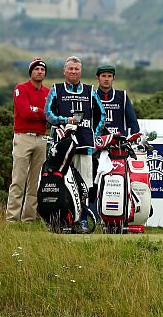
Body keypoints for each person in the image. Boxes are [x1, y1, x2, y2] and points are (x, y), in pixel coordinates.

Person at [44, 56, 107, 219]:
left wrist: (93, 133)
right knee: (60, 184)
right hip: (62, 147)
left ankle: (82, 220)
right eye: (70, 68)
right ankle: (60, 219)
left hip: (84, 145)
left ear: (81, 71)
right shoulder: (55, 89)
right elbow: (48, 115)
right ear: (64, 71)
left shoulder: (90, 90)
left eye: (76, 69)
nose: (73, 71)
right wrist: (65, 121)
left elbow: (102, 115)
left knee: (84, 185)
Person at [5, 57, 50, 223]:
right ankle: (11, 219)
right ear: (31, 71)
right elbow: (25, 112)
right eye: (36, 69)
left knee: (35, 183)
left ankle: (28, 220)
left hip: (41, 138)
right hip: (23, 137)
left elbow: (50, 116)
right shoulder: (21, 89)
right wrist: (41, 113)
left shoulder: (48, 92)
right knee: (18, 180)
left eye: (42, 69)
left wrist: (36, 111)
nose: (39, 72)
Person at [95, 65, 140, 136]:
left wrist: (135, 138)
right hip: (97, 142)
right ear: (97, 78)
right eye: (103, 76)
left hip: (119, 142)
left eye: (109, 76)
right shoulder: (91, 96)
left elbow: (133, 122)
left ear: (113, 78)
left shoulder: (122, 96)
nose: (106, 79)